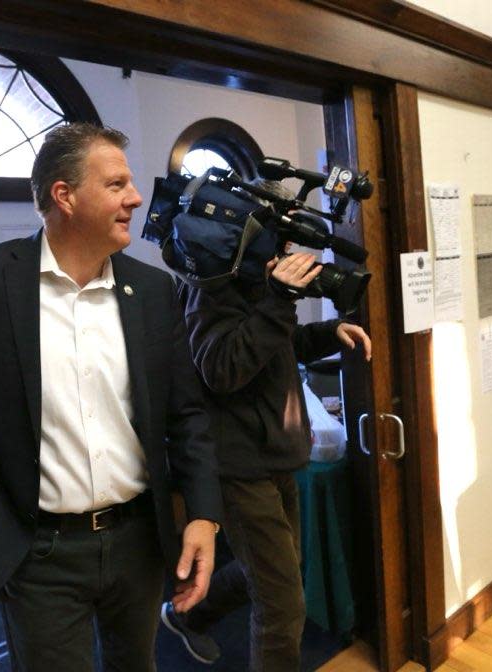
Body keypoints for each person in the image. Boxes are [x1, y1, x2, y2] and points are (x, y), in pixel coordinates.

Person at [0, 123, 223, 672]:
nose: (135, 197)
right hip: (37, 551)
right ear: (65, 195)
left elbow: (187, 414)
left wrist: (202, 514)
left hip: (137, 543)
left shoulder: (153, 292)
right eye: (116, 184)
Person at [160, 250, 371, 671]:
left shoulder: (254, 278)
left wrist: (331, 331)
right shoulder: (211, 282)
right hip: (238, 468)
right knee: (283, 605)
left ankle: (186, 615)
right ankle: (184, 615)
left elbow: (277, 344)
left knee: (277, 571)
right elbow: (222, 368)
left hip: (276, 455)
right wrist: (279, 297)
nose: (289, 251)